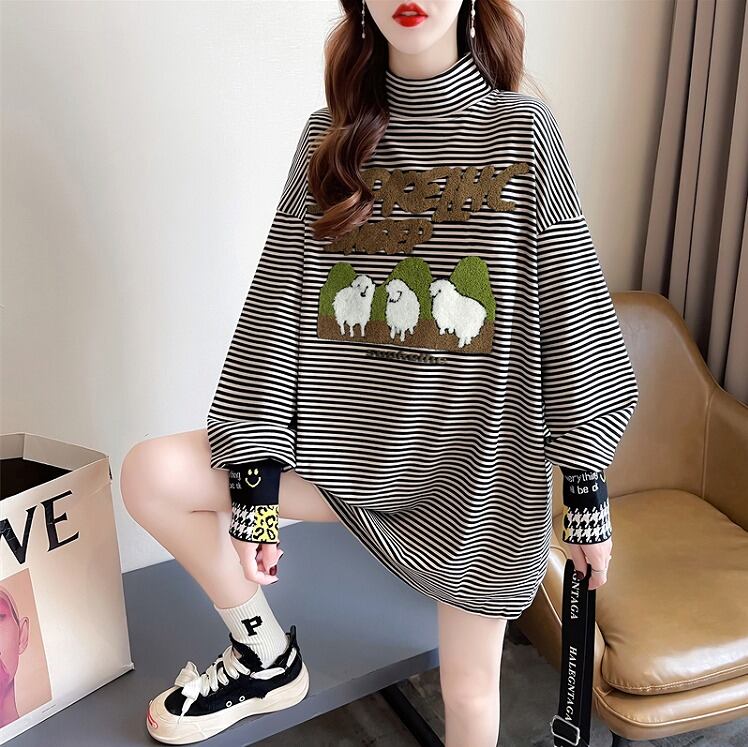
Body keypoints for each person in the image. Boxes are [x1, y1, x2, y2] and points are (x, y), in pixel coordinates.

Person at [120, 1, 639, 745]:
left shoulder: (522, 133)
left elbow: (572, 308)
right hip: (351, 465)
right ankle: (264, 657)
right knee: (149, 475)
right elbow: (279, 304)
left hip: (475, 486)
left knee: (469, 693)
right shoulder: (328, 143)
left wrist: (585, 490)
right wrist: (255, 488)